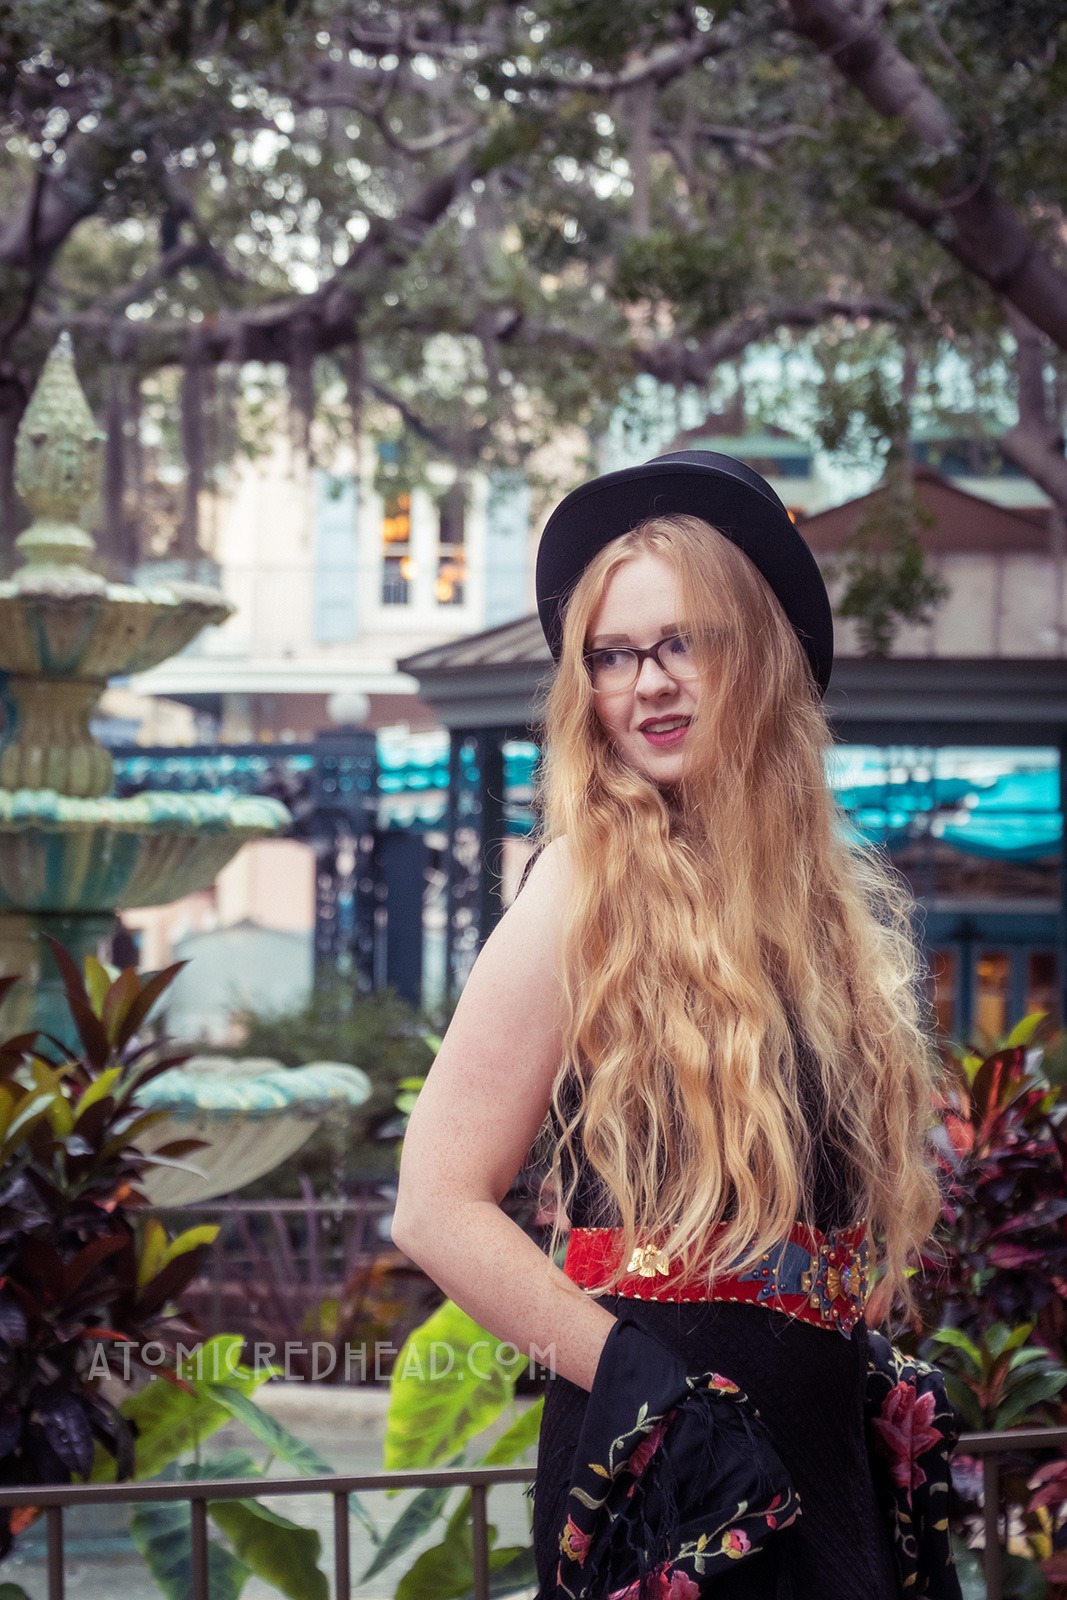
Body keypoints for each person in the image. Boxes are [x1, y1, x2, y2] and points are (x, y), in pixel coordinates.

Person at [393, 452, 953, 1600]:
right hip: (671, 1476)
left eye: (679, 642)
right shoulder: (577, 888)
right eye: (610, 654)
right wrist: (644, 1396)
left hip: (819, 1453)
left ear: (757, 653)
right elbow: (433, 1202)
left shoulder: (824, 909)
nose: (644, 683)